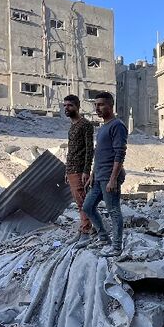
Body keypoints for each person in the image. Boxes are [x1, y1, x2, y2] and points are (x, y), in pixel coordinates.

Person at [82, 92, 127, 257]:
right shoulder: (102, 128)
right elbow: (100, 153)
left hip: (109, 178)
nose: (97, 108)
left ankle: (116, 247)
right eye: (96, 105)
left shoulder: (118, 125)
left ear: (111, 105)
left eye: (101, 104)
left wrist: (113, 179)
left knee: (114, 211)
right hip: (99, 177)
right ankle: (103, 238)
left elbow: (119, 154)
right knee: (87, 206)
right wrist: (93, 173)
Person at [63, 94, 94, 243]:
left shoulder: (85, 125)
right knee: (78, 201)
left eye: (69, 105)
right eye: (64, 106)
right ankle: (84, 227)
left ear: (77, 106)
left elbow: (90, 149)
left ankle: (86, 230)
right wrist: (66, 170)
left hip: (80, 170)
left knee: (83, 201)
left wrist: (86, 171)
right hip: (71, 170)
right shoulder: (72, 127)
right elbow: (71, 150)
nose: (66, 108)